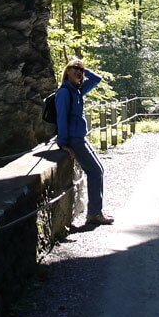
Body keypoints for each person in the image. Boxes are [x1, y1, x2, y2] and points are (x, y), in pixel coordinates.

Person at [55, 58, 114, 226]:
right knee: (95, 172)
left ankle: (96, 211)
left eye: (80, 70)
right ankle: (94, 213)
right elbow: (61, 119)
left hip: (80, 137)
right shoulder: (65, 92)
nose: (78, 72)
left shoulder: (77, 90)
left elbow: (97, 80)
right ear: (67, 71)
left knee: (99, 170)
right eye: (74, 69)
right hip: (74, 140)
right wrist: (63, 144)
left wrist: (84, 70)